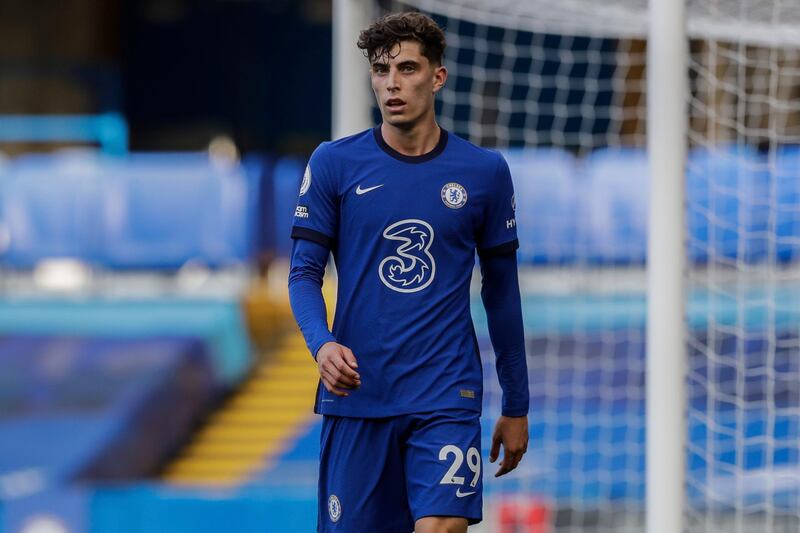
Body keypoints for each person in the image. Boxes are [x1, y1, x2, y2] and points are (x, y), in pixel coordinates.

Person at [288, 11, 529, 533]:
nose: (391, 83)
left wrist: (516, 402)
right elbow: (303, 274)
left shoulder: (484, 173)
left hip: (446, 393)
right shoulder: (334, 164)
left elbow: (503, 296)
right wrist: (322, 344)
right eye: (380, 70)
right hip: (359, 397)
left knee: (442, 527)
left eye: (407, 68)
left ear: (437, 76)